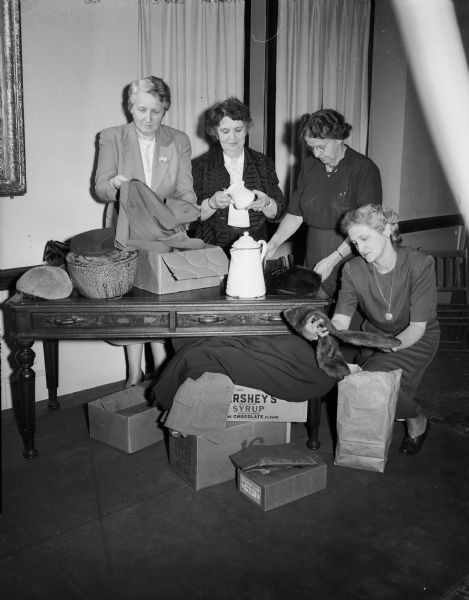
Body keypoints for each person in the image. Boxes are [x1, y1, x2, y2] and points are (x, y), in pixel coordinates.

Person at [303, 204, 440, 455]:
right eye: (355, 243)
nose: (360, 248)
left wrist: (391, 345)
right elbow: (342, 321)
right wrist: (321, 329)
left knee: (375, 380)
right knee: (379, 388)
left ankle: (416, 419)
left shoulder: (419, 264)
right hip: (374, 336)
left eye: (365, 238)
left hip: (417, 338)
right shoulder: (352, 269)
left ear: (387, 229)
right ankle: (413, 416)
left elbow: (418, 326)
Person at [95, 76, 198, 387]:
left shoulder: (178, 140)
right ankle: (134, 376)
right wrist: (115, 186)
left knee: (159, 305)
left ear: (165, 110)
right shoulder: (112, 136)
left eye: (156, 111)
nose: (148, 119)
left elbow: (188, 195)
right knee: (131, 304)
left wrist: (166, 213)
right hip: (125, 231)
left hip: (163, 232)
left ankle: (161, 376)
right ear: (130, 107)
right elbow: (100, 188)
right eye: (141, 110)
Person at [265, 109, 382, 298]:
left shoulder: (363, 169)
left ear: (338, 138)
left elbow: (365, 227)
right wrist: (274, 243)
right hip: (314, 252)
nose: (317, 154)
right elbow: (296, 213)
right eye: (312, 148)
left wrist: (333, 259)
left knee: (344, 314)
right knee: (314, 317)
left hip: (350, 253)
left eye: (321, 147)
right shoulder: (310, 166)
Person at [191, 97, 286, 254]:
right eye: (225, 131)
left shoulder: (262, 162)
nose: (232, 137)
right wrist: (212, 203)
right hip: (212, 244)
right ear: (215, 132)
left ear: (247, 128)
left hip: (254, 243)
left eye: (238, 129)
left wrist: (267, 203)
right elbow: (192, 213)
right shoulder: (201, 165)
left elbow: (278, 211)